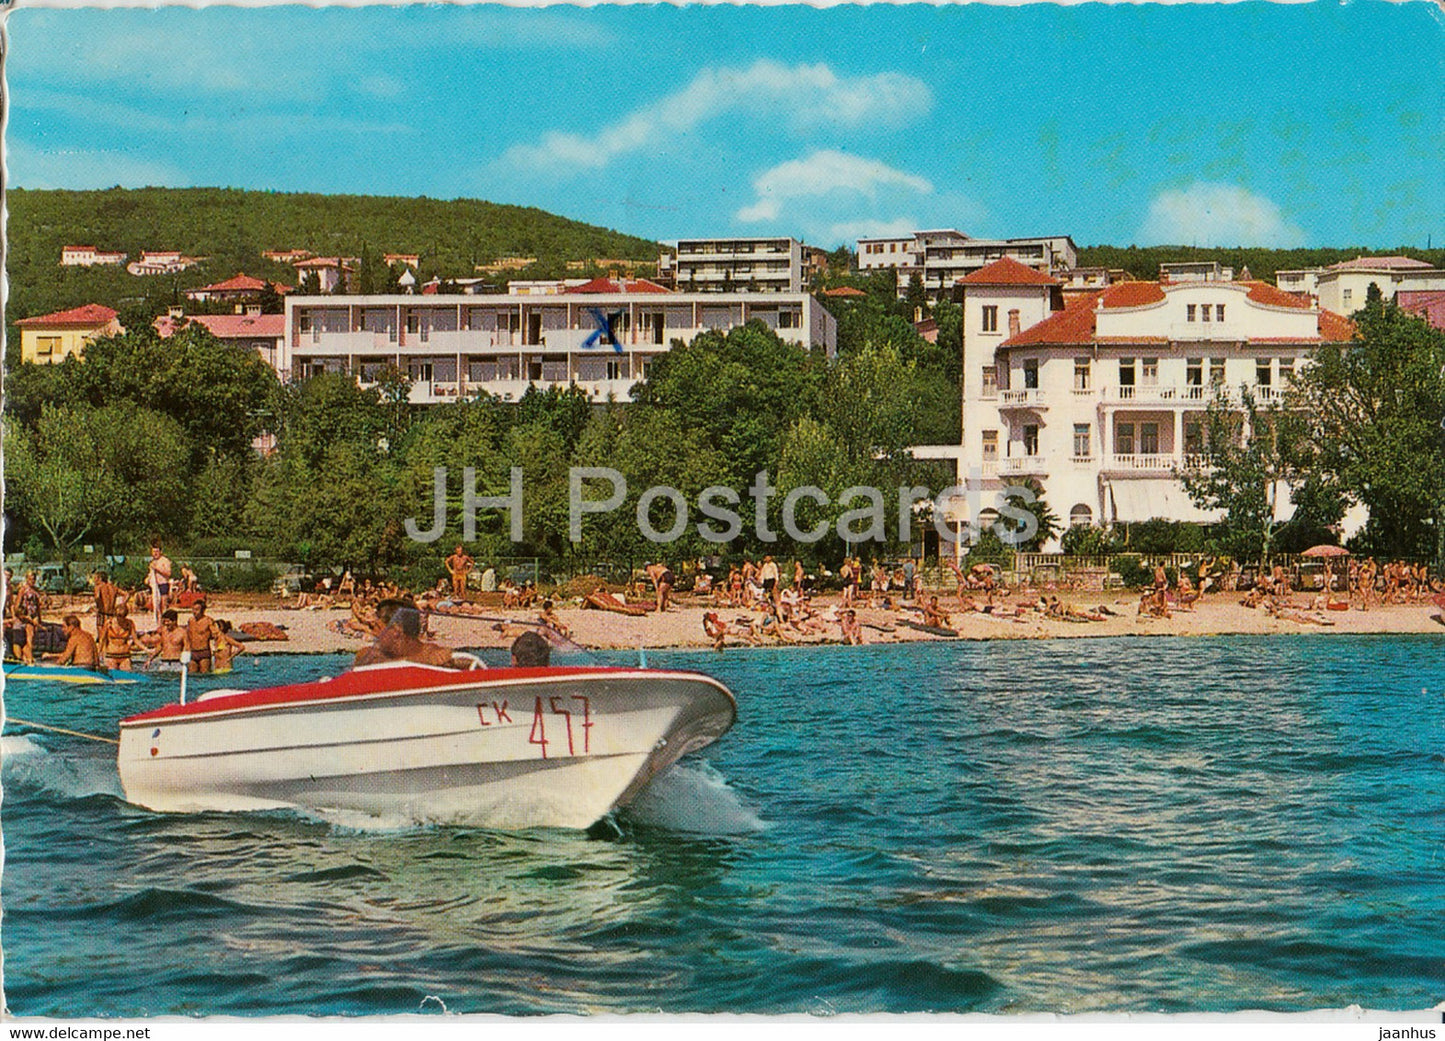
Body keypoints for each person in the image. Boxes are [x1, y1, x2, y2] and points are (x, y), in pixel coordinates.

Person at [352, 599, 461, 668]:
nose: (374, 633)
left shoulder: (433, 651)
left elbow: (469, 663)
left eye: (376, 627)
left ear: (395, 630)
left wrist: (453, 660)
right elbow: (377, 664)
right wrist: (423, 661)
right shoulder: (369, 655)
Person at [185, 599, 225, 674]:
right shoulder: (190, 621)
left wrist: (218, 648)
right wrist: (186, 648)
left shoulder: (208, 621)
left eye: (197, 610)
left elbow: (216, 634)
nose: (194, 612)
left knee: (204, 674)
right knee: (191, 674)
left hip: (204, 651)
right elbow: (188, 635)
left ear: (203, 610)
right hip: (193, 651)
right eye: (193, 609)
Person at [14, 571, 44, 665]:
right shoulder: (23, 590)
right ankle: (29, 659)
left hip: (33, 616)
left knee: (31, 637)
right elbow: (16, 606)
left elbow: (37, 606)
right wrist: (22, 615)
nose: (32, 581)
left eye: (34, 579)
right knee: (27, 639)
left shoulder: (36, 590)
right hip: (25, 616)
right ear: (27, 578)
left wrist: (39, 618)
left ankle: (28, 658)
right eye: (30, 579)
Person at [101, 605, 142, 671]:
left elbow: (136, 640)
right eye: (118, 616)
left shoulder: (129, 624)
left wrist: (147, 649)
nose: (120, 618)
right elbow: (102, 639)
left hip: (125, 656)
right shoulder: (109, 623)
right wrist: (100, 655)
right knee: (112, 671)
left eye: (122, 616)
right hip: (111, 655)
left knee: (127, 673)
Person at [147, 543, 173, 626]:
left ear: (160, 552)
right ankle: (158, 623)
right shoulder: (152, 562)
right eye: (153, 551)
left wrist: (157, 568)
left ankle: (165, 622)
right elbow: (150, 574)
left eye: (157, 551)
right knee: (156, 605)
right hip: (155, 586)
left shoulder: (165, 561)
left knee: (163, 605)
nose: (155, 553)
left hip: (163, 584)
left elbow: (168, 573)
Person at [92, 571, 119, 642]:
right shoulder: (114, 587)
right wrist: (122, 605)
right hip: (112, 613)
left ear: (100, 578)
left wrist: (99, 606)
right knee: (110, 632)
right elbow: (126, 594)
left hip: (102, 612)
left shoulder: (98, 587)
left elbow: (97, 597)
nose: (94, 580)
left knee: (102, 635)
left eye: (95, 578)